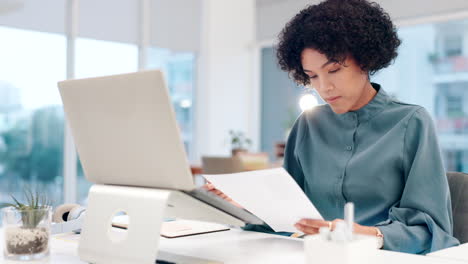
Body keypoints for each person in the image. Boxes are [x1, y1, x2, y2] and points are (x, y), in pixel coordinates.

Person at [208, 0, 460, 254]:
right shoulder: (307, 124)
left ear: (365, 59)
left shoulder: (411, 122)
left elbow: (431, 231)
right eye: (313, 76)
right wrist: (245, 206)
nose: (324, 87)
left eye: (334, 70)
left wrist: (367, 234)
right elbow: (287, 218)